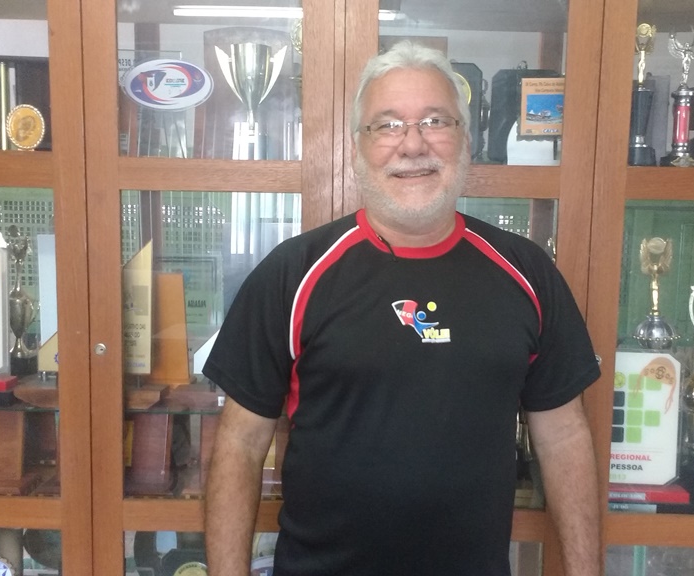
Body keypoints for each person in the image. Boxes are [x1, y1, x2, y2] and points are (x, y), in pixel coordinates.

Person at [203, 40, 601, 576]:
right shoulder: (293, 274)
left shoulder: (526, 272)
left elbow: (565, 437)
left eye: (435, 121)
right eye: (388, 125)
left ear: (466, 140)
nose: (413, 145)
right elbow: (240, 443)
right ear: (357, 146)